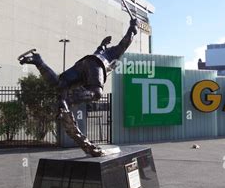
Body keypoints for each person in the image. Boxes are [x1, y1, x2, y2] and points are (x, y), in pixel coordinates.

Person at [18, 18, 139, 156]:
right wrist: (133, 28)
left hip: (82, 64)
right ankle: (68, 101)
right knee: (97, 93)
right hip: (96, 64)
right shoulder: (113, 53)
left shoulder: (100, 50)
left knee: (59, 84)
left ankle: (39, 62)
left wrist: (103, 45)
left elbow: (101, 49)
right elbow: (125, 42)